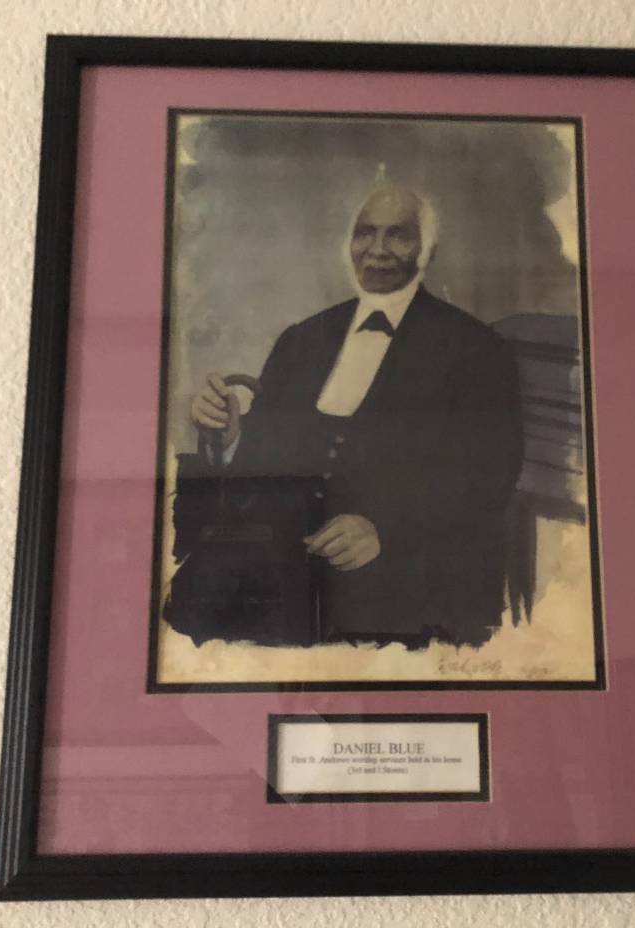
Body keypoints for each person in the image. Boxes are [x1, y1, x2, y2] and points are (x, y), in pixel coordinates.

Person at [186, 185, 523, 649]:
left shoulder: (476, 349)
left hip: (408, 574)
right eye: (365, 234)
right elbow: (260, 462)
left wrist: (384, 528)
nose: (378, 250)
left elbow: (490, 476)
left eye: (398, 236)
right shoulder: (301, 339)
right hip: (286, 569)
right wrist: (229, 435)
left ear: (428, 249)